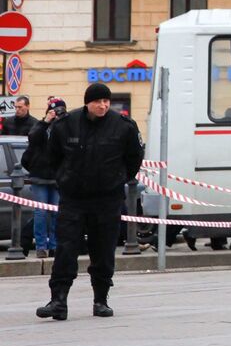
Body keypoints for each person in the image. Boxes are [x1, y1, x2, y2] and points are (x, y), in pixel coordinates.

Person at [33, 83, 142, 320]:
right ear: (87, 102)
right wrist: (65, 179)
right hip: (74, 199)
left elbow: (134, 158)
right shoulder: (66, 124)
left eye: (106, 101)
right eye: (97, 101)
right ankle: (58, 300)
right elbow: (53, 158)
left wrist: (119, 179)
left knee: (103, 250)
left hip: (107, 199)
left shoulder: (123, 126)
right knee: (66, 249)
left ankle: (100, 300)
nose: (102, 106)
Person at [21, 97, 65, 257]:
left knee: (56, 213)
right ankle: (41, 246)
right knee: (40, 212)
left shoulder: (65, 126)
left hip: (57, 178)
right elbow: (32, 136)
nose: (57, 113)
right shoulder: (41, 126)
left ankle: (54, 245)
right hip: (40, 177)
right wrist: (46, 121)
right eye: (54, 110)